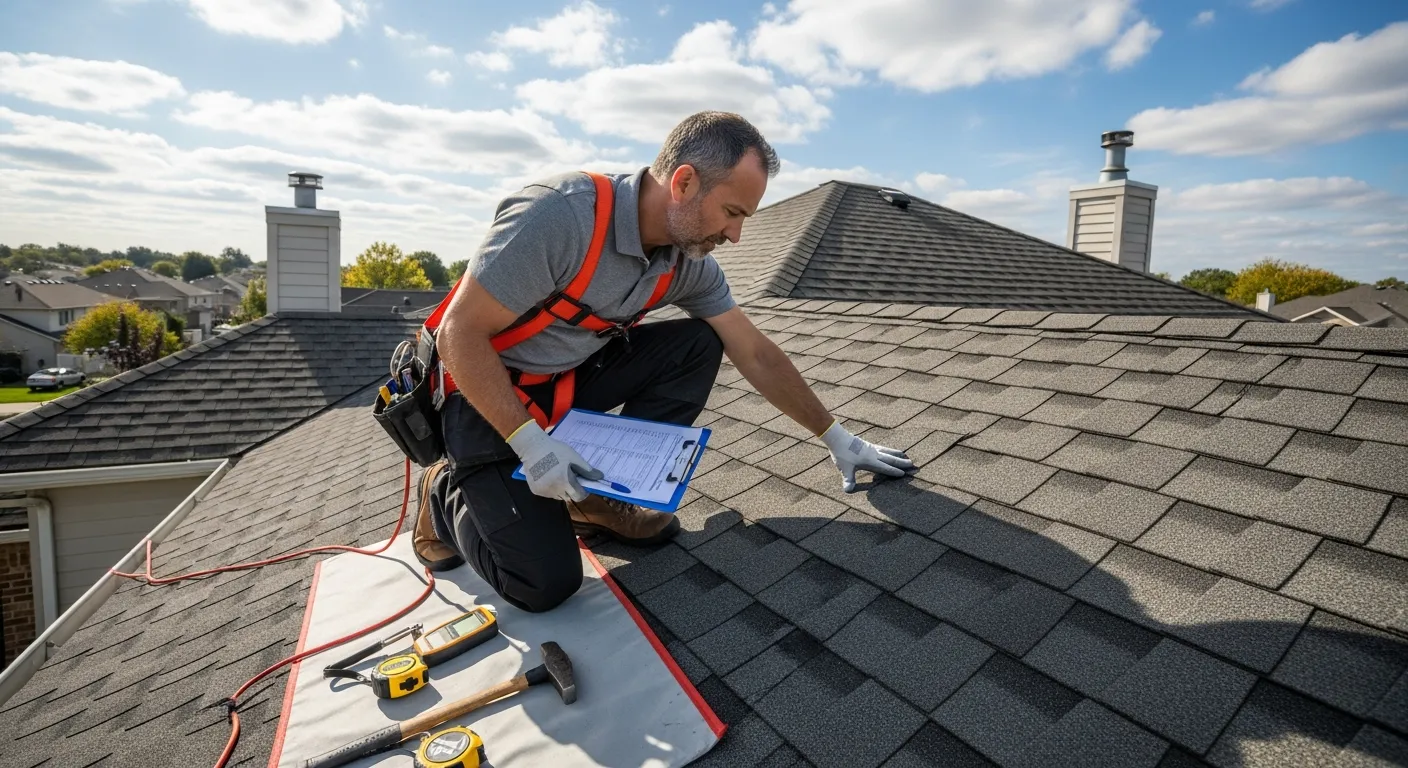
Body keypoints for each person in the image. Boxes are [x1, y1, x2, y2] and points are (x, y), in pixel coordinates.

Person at [414, 111, 914, 613]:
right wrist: (532, 447)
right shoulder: (561, 217)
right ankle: (442, 491)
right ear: (685, 181)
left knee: (700, 341)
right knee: (544, 585)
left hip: (564, 382)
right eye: (732, 212)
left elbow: (755, 351)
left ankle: (596, 496)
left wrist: (836, 436)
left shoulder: (685, 262)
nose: (736, 235)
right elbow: (459, 334)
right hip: (479, 391)